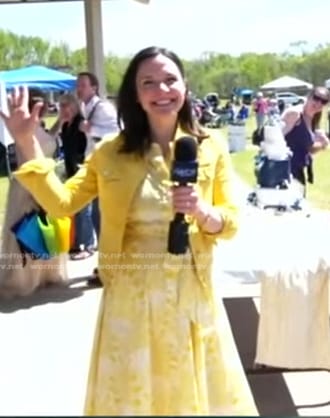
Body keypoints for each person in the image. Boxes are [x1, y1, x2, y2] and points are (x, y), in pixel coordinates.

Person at [0, 47, 257, 415]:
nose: (161, 89)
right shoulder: (111, 152)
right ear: (135, 95)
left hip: (192, 293)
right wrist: (26, 142)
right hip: (130, 299)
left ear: (184, 85)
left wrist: (202, 211)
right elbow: (62, 204)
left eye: (170, 79)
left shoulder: (209, 147)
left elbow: (229, 222)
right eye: (148, 83)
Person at [0, 88, 68, 299]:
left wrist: (60, 123)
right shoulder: (23, 131)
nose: (46, 106)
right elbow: (31, 155)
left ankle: (43, 275)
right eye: (39, 103)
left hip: (44, 182)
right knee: (27, 231)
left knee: (45, 232)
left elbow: (48, 140)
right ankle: (23, 278)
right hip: (28, 185)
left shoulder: (37, 127)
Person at [281, 86, 329, 193]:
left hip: (298, 172)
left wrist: (322, 144)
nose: (319, 103)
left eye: (324, 101)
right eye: (316, 98)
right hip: (284, 172)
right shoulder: (295, 114)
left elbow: (308, 149)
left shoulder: (313, 118)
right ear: (309, 96)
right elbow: (275, 138)